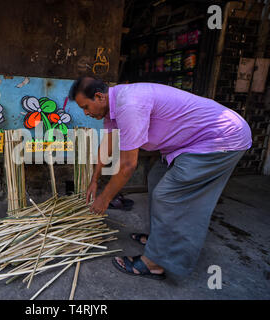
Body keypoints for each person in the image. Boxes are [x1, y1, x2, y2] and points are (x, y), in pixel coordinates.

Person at [68, 77, 252, 279]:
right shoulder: (112, 106)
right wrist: (94, 180)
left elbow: (128, 165)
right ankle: (160, 241)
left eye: (86, 107)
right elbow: (108, 145)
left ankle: (155, 262)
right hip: (188, 143)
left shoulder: (128, 104)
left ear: (99, 96)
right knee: (156, 179)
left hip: (220, 138)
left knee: (169, 195)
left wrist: (105, 198)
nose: (86, 113)